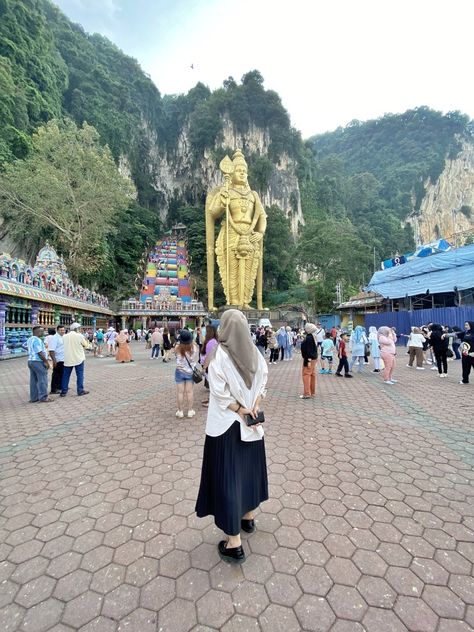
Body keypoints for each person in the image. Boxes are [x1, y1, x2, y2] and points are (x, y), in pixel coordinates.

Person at [195, 309, 268, 564]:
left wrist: (240, 409)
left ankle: (234, 542)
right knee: (248, 472)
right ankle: (247, 517)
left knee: (228, 477)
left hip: (226, 427)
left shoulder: (219, 356)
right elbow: (263, 382)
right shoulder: (255, 353)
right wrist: (253, 406)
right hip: (251, 426)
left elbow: (220, 393)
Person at [174, 329, 199, 418]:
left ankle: (180, 411)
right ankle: (190, 411)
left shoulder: (177, 348)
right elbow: (195, 359)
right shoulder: (194, 348)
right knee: (189, 392)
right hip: (189, 372)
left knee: (180, 392)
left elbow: (177, 345)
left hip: (179, 371)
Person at [61, 323, 90, 397]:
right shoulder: (79, 336)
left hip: (68, 358)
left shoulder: (64, 336)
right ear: (76, 329)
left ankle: (64, 391)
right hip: (78, 358)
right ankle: (80, 390)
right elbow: (86, 345)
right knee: (80, 375)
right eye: (79, 328)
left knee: (66, 375)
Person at [27, 326, 52, 403]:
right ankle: (43, 397)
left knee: (33, 380)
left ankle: (34, 398)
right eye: (42, 331)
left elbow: (24, 346)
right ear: (38, 332)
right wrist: (46, 362)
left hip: (31, 361)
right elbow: (40, 353)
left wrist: (31, 353)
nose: (43, 333)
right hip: (38, 361)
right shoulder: (37, 340)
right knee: (42, 379)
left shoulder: (30, 339)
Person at [200, 325, 219, 407]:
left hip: (210, 365)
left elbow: (209, 356)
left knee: (212, 384)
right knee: (212, 384)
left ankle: (212, 401)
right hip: (210, 365)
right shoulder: (212, 341)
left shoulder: (211, 342)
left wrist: (204, 367)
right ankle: (210, 399)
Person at [300, 323, 318, 398]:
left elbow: (307, 350)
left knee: (306, 374)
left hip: (309, 359)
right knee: (312, 374)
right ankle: (312, 391)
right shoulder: (313, 336)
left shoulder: (309, 338)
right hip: (313, 358)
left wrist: (308, 359)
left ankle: (307, 393)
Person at [49, 325, 66, 394]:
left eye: (63, 330)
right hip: (58, 359)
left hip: (63, 358)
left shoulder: (62, 337)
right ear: (57, 330)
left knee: (61, 374)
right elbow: (51, 350)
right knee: (56, 374)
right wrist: (54, 360)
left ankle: (60, 387)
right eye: (61, 330)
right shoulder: (55, 338)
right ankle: (54, 389)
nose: (62, 331)